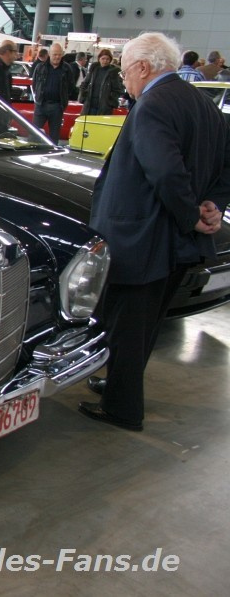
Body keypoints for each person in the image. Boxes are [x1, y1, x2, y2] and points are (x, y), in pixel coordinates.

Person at [80, 32, 230, 432]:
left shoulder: (152, 105)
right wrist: (212, 205)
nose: (124, 81)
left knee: (127, 325)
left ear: (143, 67)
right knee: (146, 324)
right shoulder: (203, 103)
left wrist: (190, 214)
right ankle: (119, 384)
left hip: (144, 237)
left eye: (125, 72)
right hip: (179, 244)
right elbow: (224, 164)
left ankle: (122, 408)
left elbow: (164, 170)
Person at [31, 43, 73, 143]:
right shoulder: (40, 67)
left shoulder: (67, 69)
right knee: (34, 133)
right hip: (41, 105)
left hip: (57, 107)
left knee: (54, 136)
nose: (57, 57)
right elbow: (35, 84)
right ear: (49, 54)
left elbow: (70, 87)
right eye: (55, 54)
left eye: (59, 54)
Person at [78, 49, 122, 115]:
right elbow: (84, 84)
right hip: (89, 105)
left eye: (107, 59)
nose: (105, 61)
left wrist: (110, 101)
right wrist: (83, 96)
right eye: (103, 58)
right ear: (99, 59)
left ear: (110, 60)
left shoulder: (114, 72)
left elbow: (118, 90)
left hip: (105, 106)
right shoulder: (93, 69)